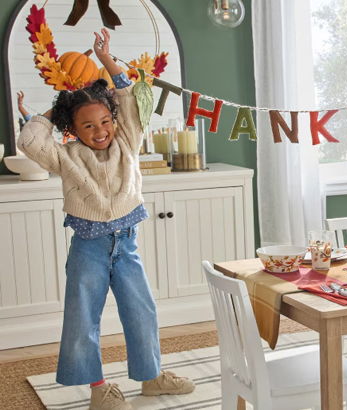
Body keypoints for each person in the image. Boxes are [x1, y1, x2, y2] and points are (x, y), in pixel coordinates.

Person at [17, 29, 195, 410]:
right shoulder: (64, 156)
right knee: (83, 319)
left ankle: (151, 378)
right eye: (87, 126)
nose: (99, 131)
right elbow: (30, 140)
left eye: (104, 121)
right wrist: (61, 105)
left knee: (142, 310)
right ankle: (99, 389)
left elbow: (129, 98)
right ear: (72, 130)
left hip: (126, 244)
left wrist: (107, 59)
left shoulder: (127, 140)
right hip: (89, 248)